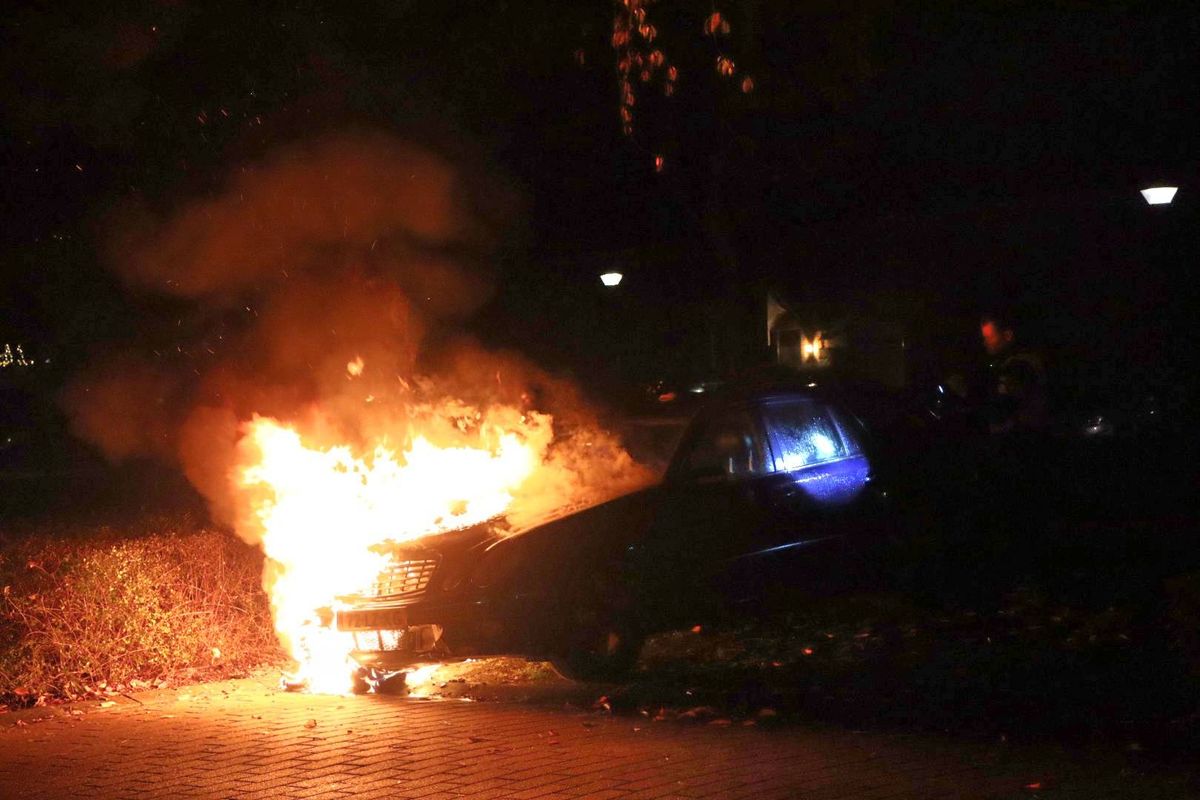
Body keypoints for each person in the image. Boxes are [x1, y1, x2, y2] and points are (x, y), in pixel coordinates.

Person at [979, 311, 1048, 433]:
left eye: (990, 337)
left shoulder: (1021, 366)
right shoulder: (1004, 364)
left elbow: (1006, 406)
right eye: (985, 338)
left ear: (1007, 335)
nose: (985, 343)